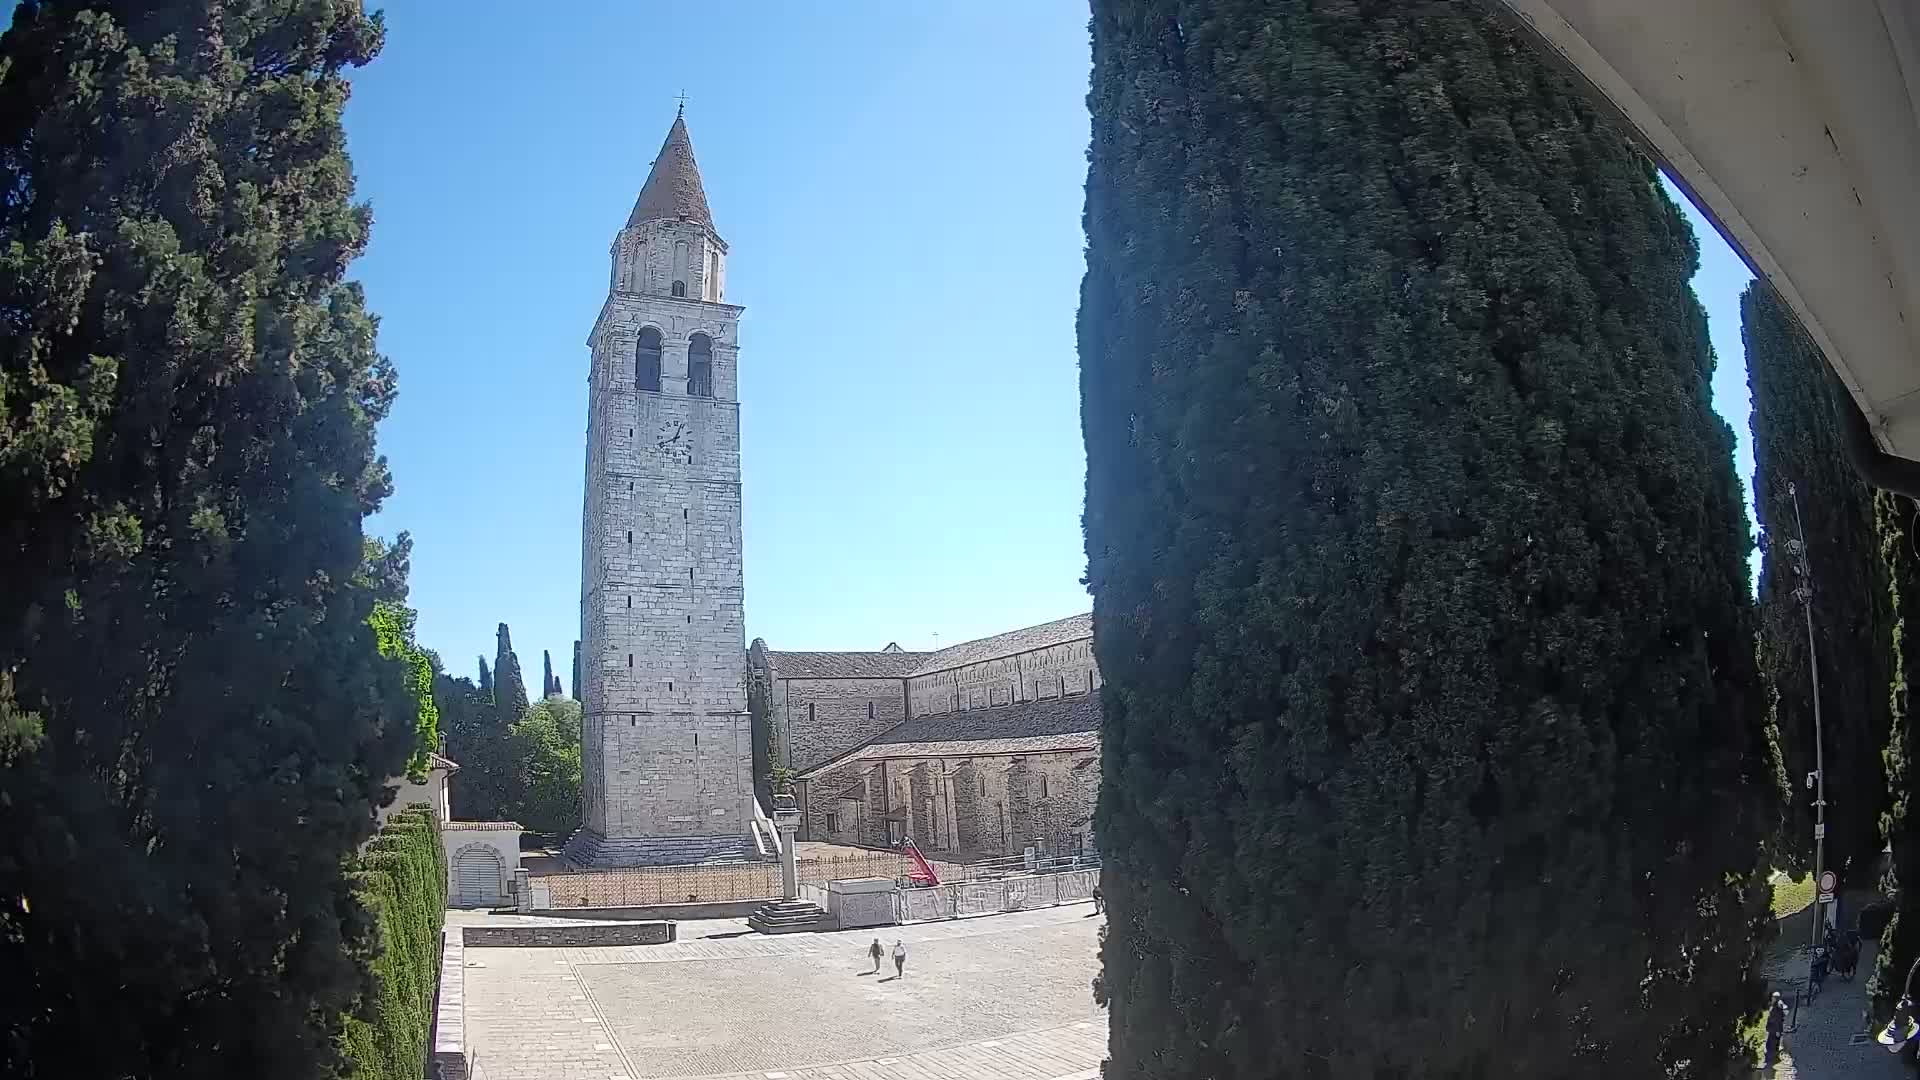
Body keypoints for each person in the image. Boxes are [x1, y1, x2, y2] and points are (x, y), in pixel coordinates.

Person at [1764, 992, 1788, 1066]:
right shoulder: (1777, 1005)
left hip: (1775, 1029)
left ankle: (1771, 1060)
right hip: (1774, 1028)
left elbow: (1778, 1019)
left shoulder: (1777, 1007)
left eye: (1773, 997)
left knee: (1771, 1044)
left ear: (1775, 998)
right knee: (1772, 1044)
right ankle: (1772, 1059)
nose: (1772, 998)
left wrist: (1777, 1030)